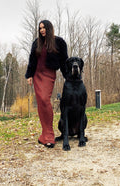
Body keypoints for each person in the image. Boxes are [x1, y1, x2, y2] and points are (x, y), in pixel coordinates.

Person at [25, 20, 68, 148]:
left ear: (49, 28)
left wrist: (68, 77)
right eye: (40, 28)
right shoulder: (36, 43)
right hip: (37, 74)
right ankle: (45, 135)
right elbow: (32, 59)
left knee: (45, 99)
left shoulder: (59, 42)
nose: (42, 30)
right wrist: (29, 75)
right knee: (41, 103)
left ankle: (49, 134)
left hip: (49, 74)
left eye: (44, 28)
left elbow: (64, 61)